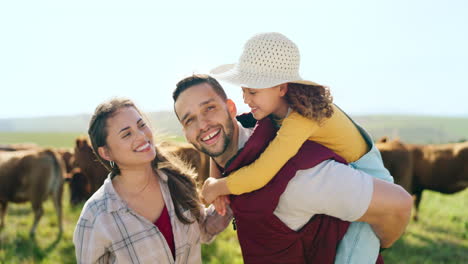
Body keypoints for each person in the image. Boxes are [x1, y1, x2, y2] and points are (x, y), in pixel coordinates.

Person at [201, 32, 397, 263]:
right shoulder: (278, 110)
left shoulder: (300, 118)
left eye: (253, 92)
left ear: (282, 88)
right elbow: (232, 133)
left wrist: (217, 187)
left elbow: (261, 174)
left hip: (370, 177)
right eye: (244, 91)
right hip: (347, 176)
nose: (246, 99)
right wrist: (215, 175)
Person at [173, 74, 412, 263]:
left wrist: (383, 242)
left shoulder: (299, 174)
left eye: (209, 108)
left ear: (230, 108)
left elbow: (399, 205)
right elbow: (224, 154)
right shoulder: (246, 136)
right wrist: (216, 183)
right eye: (189, 119)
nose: (202, 125)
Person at [72, 98, 231, 264]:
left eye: (141, 125)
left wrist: (234, 188)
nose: (142, 136)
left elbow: (203, 229)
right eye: (127, 134)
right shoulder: (95, 217)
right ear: (106, 153)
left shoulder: (177, 183)